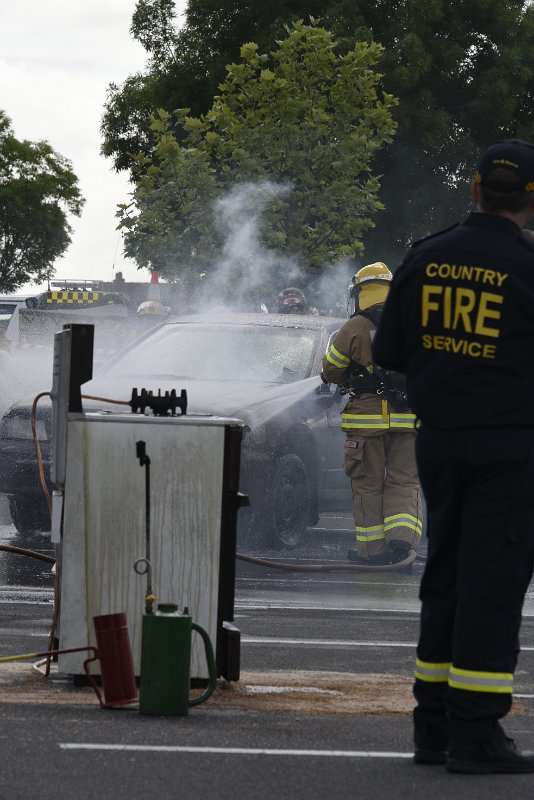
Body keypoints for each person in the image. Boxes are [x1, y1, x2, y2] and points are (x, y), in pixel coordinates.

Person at [372, 139, 534, 774]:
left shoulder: (424, 256)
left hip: (438, 443)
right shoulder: (526, 267)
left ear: (473, 190)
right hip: (511, 450)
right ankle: (475, 735)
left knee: (443, 580)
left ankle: (431, 727)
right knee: (491, 587)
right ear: (529, 200)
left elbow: (388, 353)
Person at [322, 262, 422, 566]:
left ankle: (372, 552)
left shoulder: (354, 327)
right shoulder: (413, 323)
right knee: (404, 482)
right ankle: (403, 546)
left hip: (366, 423)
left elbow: (331, 371)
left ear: (360, 293)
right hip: (408, 420)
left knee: (368, 484)